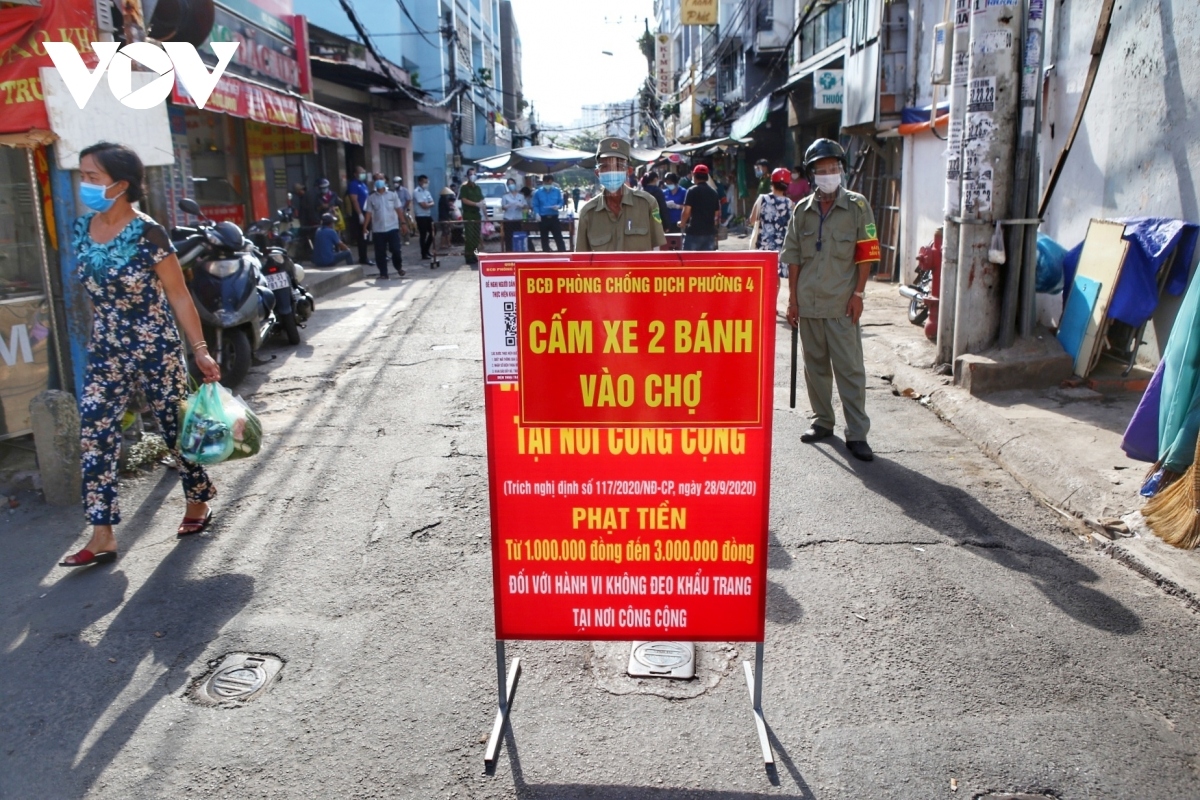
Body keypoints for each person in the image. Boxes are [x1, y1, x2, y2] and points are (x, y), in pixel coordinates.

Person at [58, 141, 221, 567]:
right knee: (94, 432)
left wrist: (199, 350)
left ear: (121, 184)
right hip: (107, 346)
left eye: (93, 177)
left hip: (154, 342)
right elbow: (94, 291)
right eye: (83, 176)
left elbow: (179, 295)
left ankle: (198, 498)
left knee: (173, 427)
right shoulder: (81, 229)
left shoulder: (148, 232)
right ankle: (102, 533)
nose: (85, 185)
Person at [779, 138, 881, 462]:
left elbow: (867, 254)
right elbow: (793, 257)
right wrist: (792, 300)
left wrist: (859, 294)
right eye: (821, 170)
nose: (828, 174)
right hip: (809, 304)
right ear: (811, 175)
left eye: (833, 168)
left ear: (842, 170)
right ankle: (822, 421)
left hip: (842, 305)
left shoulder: (858, 206)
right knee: (815, 368)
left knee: (850, 370)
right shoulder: (802, 211)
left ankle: (857, 434)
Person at [576, 136, 665, 252]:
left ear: (629, 171)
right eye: (605, 167)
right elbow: (581, 260)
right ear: (598, 173)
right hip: (604, 271)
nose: (612, 171)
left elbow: (658, 251)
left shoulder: (647, 203)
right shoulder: (587, 213)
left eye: (618, 166)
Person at [748, 168, 795, 313]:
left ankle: (760, 303)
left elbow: (752, 220)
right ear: (787, 185)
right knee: (775, 276)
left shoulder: (762, 199)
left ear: (772, 183)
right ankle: (771, 305)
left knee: (761, 275)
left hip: (763, 244)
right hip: (780, 247)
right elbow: (792, 226)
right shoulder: (790, 204)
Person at [363, 178, 407, 278]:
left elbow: (398, 209)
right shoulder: (371, 197)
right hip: (378, 229)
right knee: (380, 253)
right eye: (377, 179)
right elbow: (368, 213)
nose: (379, 181)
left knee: (396, 249)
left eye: (381, 179)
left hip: (392, 227)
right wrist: (365, 226)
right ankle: (383, 273)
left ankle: (398, 267)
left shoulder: (392, 194)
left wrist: (403, 223)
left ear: (385, 181)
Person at [680, 164, 720, 251]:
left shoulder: (691, 191)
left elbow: (686, 211)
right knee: (707, 262)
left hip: (694, 232)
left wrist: (682, 223)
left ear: (694, 176)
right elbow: (716, 214)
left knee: (689, 261)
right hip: (709, 233)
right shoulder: (713, 192)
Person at [532, 173, 566, 252]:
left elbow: (561, 202)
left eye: (550, 183)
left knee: (558, 238)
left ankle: (562, 254)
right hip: (543, 218)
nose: (548, 184)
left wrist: (558, 206)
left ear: (552, 182)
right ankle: (546, 255)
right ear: (543, 182)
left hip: (554, 218)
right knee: (544, 239)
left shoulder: (557, 191)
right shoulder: (537, 192)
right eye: (546, 183)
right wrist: (537, 214)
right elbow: (535, 205)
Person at [345, 166, 371, 266]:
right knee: (362, 236)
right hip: (360, 213)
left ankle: (365, 256)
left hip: (366, 211)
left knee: (366, 236)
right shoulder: (353, 184)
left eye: (364, 172)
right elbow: (354, 200)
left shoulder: (363, 184)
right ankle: (363, 257)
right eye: (361, 172)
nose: (363, 174)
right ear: (355, 174)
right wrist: (360, 214)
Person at [458, 169, 484, 265]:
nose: (473, 176)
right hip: (468, 213)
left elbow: (482, 201)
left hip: (477, 214)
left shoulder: (478, 188)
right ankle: (468, 255)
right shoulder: (464, 188)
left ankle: (474, 255)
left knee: (476, 236)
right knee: (469, 236)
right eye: (470, 174)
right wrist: (475, 204)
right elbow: (464, 200)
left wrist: (486, 215)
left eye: (474, 174)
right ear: (467, 176)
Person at [500, 177, 528, 252]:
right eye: (509, 184)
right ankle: (509, 252)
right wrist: (506, 206)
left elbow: (525, 206)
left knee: (518, 236)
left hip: (518, 219)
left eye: (512, 183)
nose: (511, 185)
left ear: (515, 184)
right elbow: (502, 207)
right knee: (508, 238)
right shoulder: (505, 196)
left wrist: (521, 205)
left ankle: (519, 252)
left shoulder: (521, 196)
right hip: (508, 219)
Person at [413, 174, 435, 260]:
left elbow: (432, 202)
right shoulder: (417, 191)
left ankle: (426, 249)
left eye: (427, 182)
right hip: (420, 216)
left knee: (433, 231)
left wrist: (428, 204)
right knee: (423, 234)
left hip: (427, 215)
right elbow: (423, 205)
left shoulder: (427, 191)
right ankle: (424, 253)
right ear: (420, 182)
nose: (426, 183)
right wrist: (429, 204)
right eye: (424, 182)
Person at [392, 176, 413, 245]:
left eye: (397, 182)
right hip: (394, 211)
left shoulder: (404, 190)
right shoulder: (392, 191)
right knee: (396, 225)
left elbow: (408, 199)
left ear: (400, 183)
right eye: (395, 182)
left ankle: (406, 239)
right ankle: (398, 239)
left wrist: (404, 208)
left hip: (402, 209)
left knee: (404, 224)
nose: (396, 184)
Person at [437, 185, 457, 251]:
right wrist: (451, 208)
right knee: (445, 231)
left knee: (446, 231)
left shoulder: (442, 199)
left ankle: (447, 243)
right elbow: (448, 208)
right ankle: (443, 244)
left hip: (443, 217)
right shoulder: (444, 200)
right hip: (444, 217)